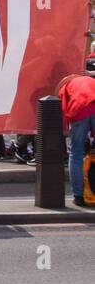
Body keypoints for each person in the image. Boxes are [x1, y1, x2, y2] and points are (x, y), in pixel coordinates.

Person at [56, 58, 95, 207]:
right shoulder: (92, 81)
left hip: (80, 111)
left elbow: (65, 109)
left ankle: (78, 196)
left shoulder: (67, 86)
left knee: (76, 153)